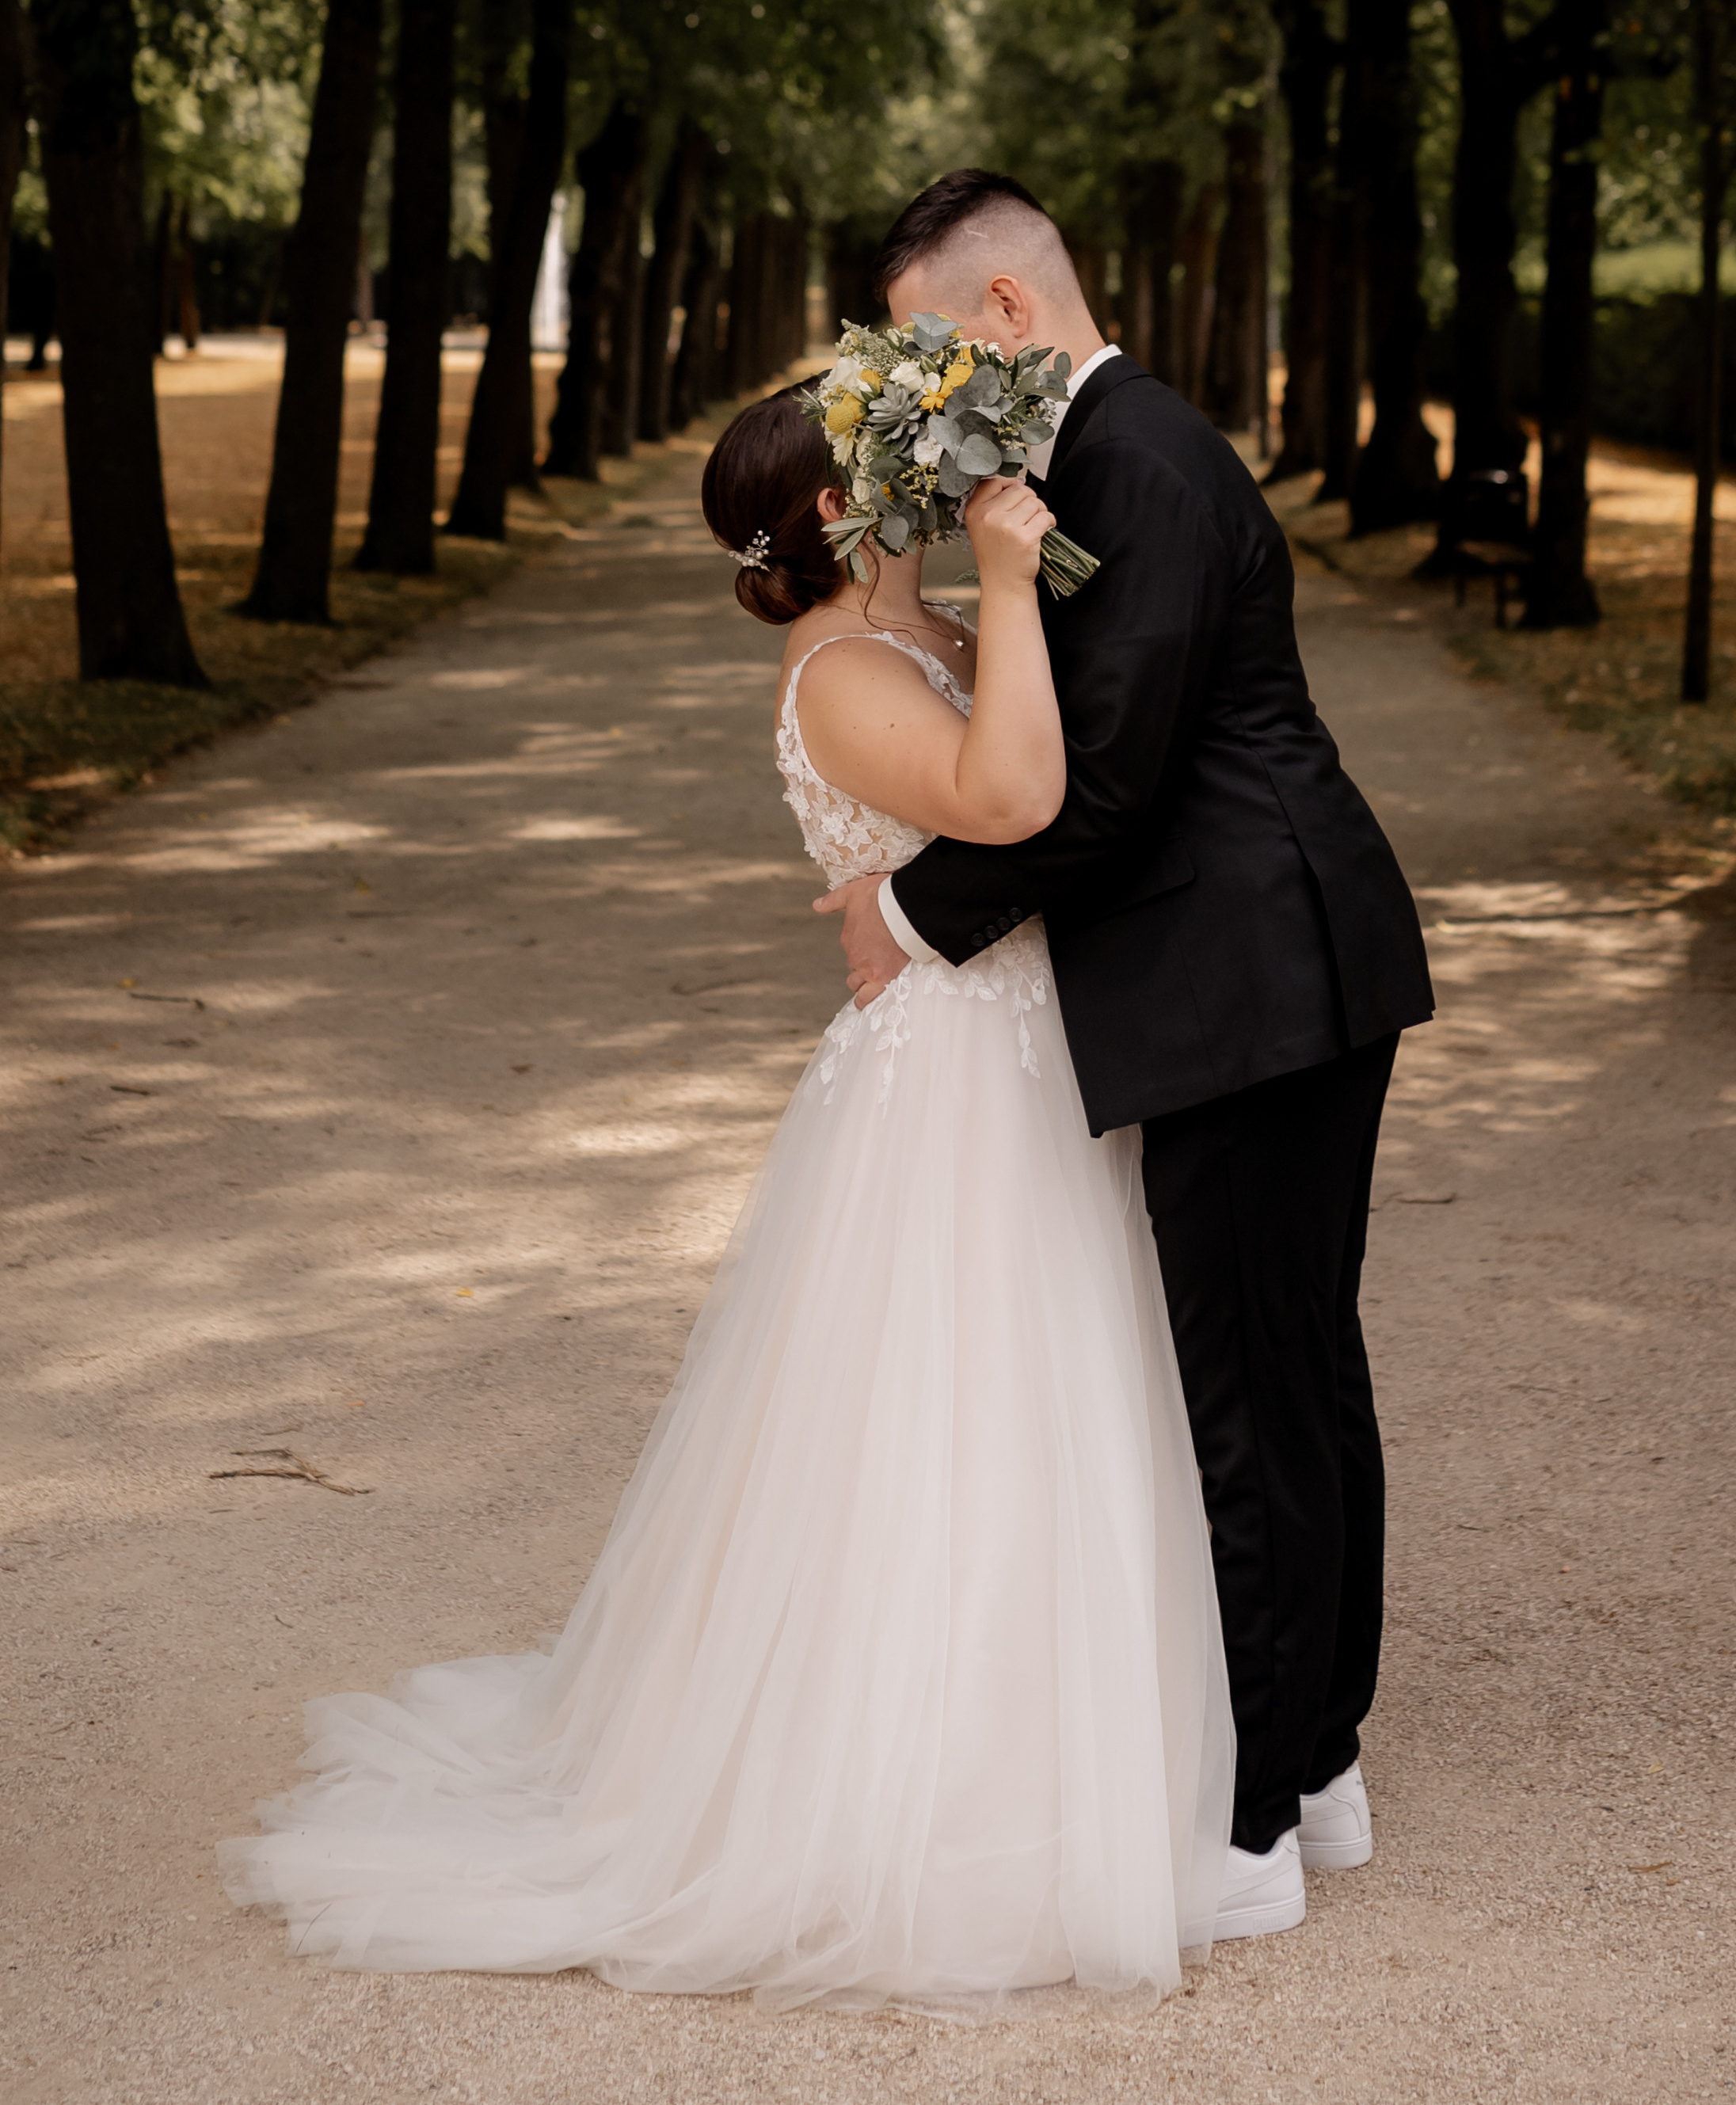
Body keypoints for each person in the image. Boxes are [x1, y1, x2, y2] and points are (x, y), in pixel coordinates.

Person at [219, 379, 1235, 2012]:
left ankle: (1069, 1755)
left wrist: (1011, 589)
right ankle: (935, 1804)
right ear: (840, 515)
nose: (927, 474)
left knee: (1050, 1404)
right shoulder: (839, 673)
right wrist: (1002, 578)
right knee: (953, 1417)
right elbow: (1013, 801)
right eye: (889, 459)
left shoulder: (914, 642)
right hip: (952, 1089)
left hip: (1016, 1045)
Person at [823, 169, 1435, 1936]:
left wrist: (909, 914)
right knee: (1296, 1372)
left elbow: (1096, 790)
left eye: (930, 348)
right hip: (1280, 964)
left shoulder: (1133, 463)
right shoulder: (1113, 456)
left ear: (1005, 315)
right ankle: (1313, 1765)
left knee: (1252, 1398)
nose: (927, 390)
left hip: (1248, 977)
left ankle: (1248, 1827)